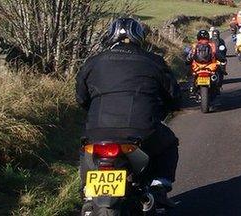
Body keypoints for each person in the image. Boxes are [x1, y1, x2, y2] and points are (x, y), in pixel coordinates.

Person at [76, 18, 181, 206]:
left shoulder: (93, 62)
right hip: (142, 132)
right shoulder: (154, 61)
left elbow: (81, 98)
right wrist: (166, 108)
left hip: (97, 133)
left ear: (110, 37)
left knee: (85, 152)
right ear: (139, 37)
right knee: (169, 143)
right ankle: (159, 185)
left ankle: (86, 190)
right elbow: (174, 97)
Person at [186, 30, 227, 94]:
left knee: (190, 73)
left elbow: (190, 56)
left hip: (197, 67)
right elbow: (217, 54)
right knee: (220, 71)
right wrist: (223, 59)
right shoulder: (212, 45)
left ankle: (191, 87)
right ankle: (218, 87)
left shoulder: (194, 45)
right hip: (210, 66)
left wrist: (187, 62)